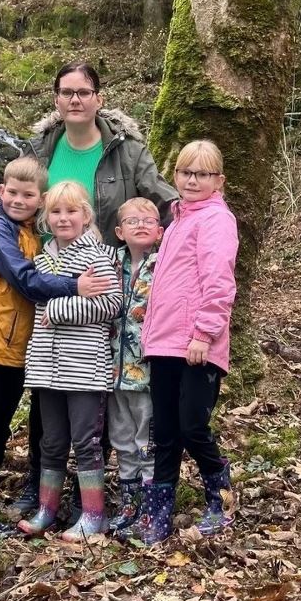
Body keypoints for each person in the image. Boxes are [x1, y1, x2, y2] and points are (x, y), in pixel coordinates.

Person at [0, 61, 178, 516]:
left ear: (99, 98)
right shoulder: (45, 146)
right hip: (49, 274)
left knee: (93, 399)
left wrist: (187, 213)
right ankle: (39, 488)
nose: (75, 100)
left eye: (84, 92)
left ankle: (97, 499)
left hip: (102, 272)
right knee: (46, 398)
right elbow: (14, 184)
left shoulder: (125, 150)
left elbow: (160, 194)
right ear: (57, 100)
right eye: (67, 92)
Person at [0, 157, 111, 539]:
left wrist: (59, 306)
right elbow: (26, 281)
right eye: (12, 193)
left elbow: (105, 301)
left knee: (33, 434)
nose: (19, 200)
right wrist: (74, 287)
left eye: (29, 195)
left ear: (38, 200)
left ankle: (56, 507)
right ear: (0, 193)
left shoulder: (38, 238)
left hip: (31, 354)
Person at [134, 140, 239, 544]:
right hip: (163, 343)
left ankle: (220, 495)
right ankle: (158, 513)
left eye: (202, 174)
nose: (192, 180)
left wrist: (203, 334)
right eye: (185, 172)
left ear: (219, 180)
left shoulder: (216, 220)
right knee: (165, 432)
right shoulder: (177, 220)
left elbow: (219, 282)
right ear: (174, 175)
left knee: (192, 425)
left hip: (197, 345)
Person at [17, 181, 122, 542]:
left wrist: (60, 308)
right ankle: (47, 509)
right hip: (46, 366)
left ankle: (93, 515)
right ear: (47, 217)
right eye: (57, 212)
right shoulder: (43, 259)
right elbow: (33, 298)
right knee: (51, 441)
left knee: (86, 441)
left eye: (72, 211)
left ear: (85, 215)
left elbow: (111, 304)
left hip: (85, 368)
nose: (64, 218)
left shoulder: (98, 255)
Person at [107, 197, 163, 532]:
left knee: (148, 440)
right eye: (132, 220)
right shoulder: (109, 262)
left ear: (159, 230)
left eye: (148, 220)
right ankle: (128, 506)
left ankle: (150, 508)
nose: (140, 225)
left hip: (148, 373)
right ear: (118, 230)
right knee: (122, 439)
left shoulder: (165, 263)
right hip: (112, 373)